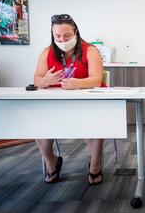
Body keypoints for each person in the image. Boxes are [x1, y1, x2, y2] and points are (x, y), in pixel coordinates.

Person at [33, 14, 105, 185]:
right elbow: (37, 79)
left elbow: (96, 79)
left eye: (67, 36)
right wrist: (46, 81)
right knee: (38, 125)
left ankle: (95, 164)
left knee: (96, 125)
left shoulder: (90, 50)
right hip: (55, 104)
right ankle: (51, 161)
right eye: (57, 36)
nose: (62, 39)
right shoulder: (47, 52)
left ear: (76, 33)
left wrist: (78, 83)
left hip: (87, 103)